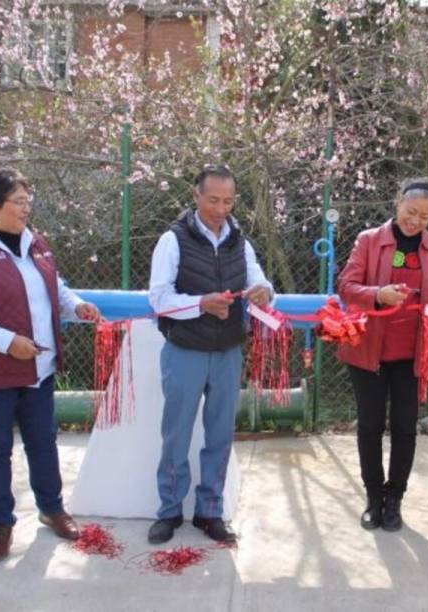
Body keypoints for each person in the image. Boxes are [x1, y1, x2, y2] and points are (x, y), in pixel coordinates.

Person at [0, 168, 100, 562]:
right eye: (19, 202)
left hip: (37, 369)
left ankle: (52, 508)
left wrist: (75, 305)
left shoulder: (34, 242)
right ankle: (1, 524)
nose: (27, 209)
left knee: (43, 441)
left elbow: (53, 288)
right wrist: (7, 343)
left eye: (29, 201)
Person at [147, 165, 274, 545]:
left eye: (229, 201)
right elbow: (158, 299)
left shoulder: (240, 240)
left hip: (228, 351)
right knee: (176, 435)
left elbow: (259, 279)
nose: (221, 208)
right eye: (214, 200)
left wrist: (264, 290)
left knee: (220, 435)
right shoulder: (173, 240)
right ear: (196, 195)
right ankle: (169, 511)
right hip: (185, 350)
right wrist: (201, 304)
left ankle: (210, 512)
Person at [337, 177, 428, 532]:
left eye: (425, 216)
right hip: (368, 351)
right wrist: (378, 294)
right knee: (370, 427)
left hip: (414, 354)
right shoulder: (369, 241)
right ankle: (373, 499)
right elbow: (346, 286)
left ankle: (395, 501)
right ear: (397, 203)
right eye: (411, 212)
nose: (416, 221)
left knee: (405, 429)